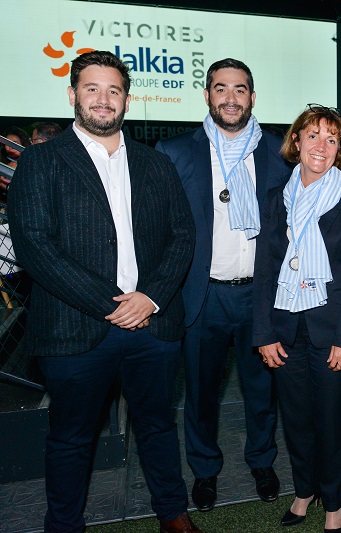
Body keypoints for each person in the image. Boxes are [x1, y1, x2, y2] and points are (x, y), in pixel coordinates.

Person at [7, 50, 200, 533]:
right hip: (76, 329)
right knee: (71, 438)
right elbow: (34, 246)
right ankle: (64, 525)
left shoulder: (155, 164)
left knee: (157, 427)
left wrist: (150, 298)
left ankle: (172, 514)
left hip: (153, 326)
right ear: (72, 95)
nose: (102, 99)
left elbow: (183, 235)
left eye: (113, 90)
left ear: (127, 101)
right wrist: (112, 305)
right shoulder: (41, 161)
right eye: (91, 88)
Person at [156, 58, 290, 511]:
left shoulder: (279, 152)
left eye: (240, 89)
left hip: (260, 294)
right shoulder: (175, 152)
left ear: (253, 97)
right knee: (200, 392)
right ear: (208, 95)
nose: (230, 98)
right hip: (201, 294)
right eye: (221, 88)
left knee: (261, 389)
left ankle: (262, 461)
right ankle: (205, 470)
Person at [254, 105, 341, 533]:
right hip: (285, 329)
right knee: (297, 419)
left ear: (338, 149)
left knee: (330, 422)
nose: (321, 145)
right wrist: (263, 333)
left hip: (332, 333)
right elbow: (265, 271)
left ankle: (335, 503)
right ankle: (305, 491)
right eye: (313, 135)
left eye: (331, 139)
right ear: (296, 142)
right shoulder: (275, 200)